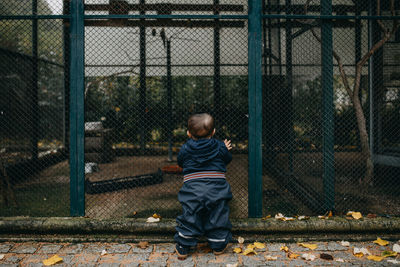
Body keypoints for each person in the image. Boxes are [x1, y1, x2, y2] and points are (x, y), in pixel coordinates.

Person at [174, 113, 233, 259]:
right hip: (216, 189)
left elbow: (180, 162)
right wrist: (224, 149)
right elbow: (227, 160)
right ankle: (218, 244)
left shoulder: (186, 148)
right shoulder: (219, 146)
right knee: (218, 213)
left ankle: (184, 245)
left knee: (190, 214)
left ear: (188, 133)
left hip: (193, 189)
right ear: (213, 132)